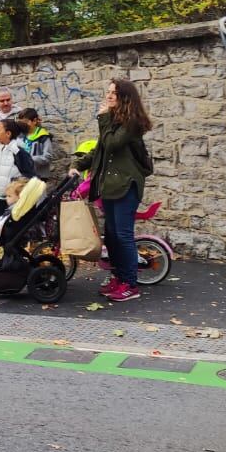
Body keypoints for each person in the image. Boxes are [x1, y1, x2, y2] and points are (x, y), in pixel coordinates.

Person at [70, 78, 155, 304]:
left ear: (124, 98)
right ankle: (119, 277)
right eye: (107, 92)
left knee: (123, 236)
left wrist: (103, 117)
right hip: (110, 187)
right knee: (113, 237)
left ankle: (130, 284)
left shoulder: (131, 123)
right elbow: (100, 149)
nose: (108, 96)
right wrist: (78, 165)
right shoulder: (113, 121)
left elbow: (113, 144)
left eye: (113, 94)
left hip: (126, 186)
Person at [0, 118, 35, 225]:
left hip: (11, 201)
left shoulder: (18, 152)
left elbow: (29, 176)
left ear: (8, 133)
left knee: (9, 230)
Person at [19, 108, 55, 179]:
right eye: (21, 122)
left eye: (25, 122)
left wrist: (29, 159)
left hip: (38, 176)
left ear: (34, 121)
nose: (22, 125)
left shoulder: (43, 136)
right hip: (24, 176)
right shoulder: (21, 135)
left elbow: (48, 157)